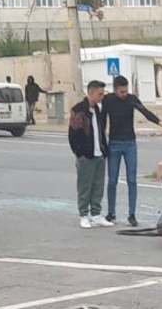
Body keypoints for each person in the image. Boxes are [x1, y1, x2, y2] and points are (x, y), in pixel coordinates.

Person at [101, 75, 162, 226]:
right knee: (112, 180)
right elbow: (102, 121)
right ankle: (111, 213)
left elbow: (145, 112)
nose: (124, 94)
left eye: (126, 91)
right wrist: (102, 143)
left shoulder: (131, 99)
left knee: (132, 180)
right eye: (121, 92)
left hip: (129, 144)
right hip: (114, 143)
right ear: (115, 90)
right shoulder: (108, 100)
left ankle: (131, 214)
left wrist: (161, 124)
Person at [68, 80, 114, 229]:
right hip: (86, 156)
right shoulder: (79, 110)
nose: (102, 97)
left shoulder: (98, 110)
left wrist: (104, 150)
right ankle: (83, 215)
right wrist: (79, 153)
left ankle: (96, 214)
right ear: (91, 93)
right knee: (85, 185)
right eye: (100, 94)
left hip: (99, 154)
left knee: (98, 185)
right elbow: (73, 134)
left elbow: (101, 131)